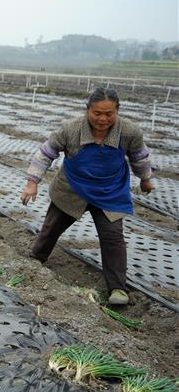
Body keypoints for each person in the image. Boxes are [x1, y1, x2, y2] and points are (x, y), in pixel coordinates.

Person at [21, 88, 155, 306]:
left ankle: (117, 288)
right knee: (52, 228)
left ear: (117, 112)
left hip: (109, 192)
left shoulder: (129, 132)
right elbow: (45, 154)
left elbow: (140, 157)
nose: (103, 119)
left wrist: (146, 178)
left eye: (109, 114)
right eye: (97, 113)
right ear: (88, 111)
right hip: (72, 189)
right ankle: (36, 258)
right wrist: (31, 183)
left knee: (113, 238)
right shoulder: (70, 129)